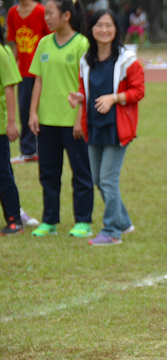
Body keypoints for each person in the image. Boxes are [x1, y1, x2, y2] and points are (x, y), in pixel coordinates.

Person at [68, 9, 144, 246]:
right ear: (91, 29)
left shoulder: (127, 60)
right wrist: (79, 97)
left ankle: (111, 231)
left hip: (117, 128)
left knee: (108, 179)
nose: (103, 30)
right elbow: (86, 88)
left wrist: (115, 98)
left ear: (116, 29)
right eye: (99, 25)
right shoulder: (85, 60)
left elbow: (138, 91)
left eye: (108, 25)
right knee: (99, 180)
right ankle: (123, 222)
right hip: (93, 126)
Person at [28, 0, 94, 238]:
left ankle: (83, 221)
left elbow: (84, 83)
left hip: (72, 122)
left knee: (81, 172)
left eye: (50, 13)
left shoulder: (82, 43)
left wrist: (79, 119)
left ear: (66, 15)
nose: (46, 17)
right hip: (47, 119)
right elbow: (38, 80)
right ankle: (49, 221)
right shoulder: (44, 43)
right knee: (48, 173)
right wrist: (33, 113)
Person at [6, 0, 50, 164]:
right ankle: (28, 151)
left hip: (43, 71)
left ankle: (45, 148)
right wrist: (11, 69)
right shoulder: (12, 13)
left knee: (44, 110)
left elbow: (50, 39)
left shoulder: (42, 11)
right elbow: (15, 44)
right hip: (23, 72)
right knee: (24, 110)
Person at [0, 29, 25, 235]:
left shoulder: (2, 52)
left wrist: (11, 122)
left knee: (2, 173)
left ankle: (14, 220)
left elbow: (9, 87)